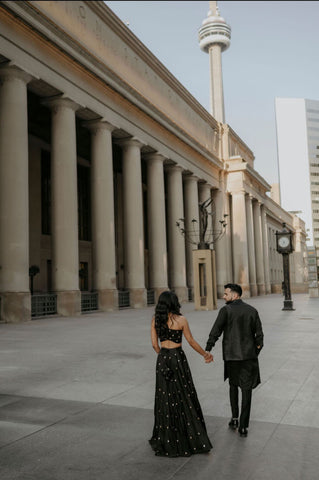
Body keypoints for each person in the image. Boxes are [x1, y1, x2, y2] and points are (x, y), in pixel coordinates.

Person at [149, 290, 213, 457]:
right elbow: (191, 341)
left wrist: (162, 358)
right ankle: (187, 435)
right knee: (184, 395)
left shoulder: (156, 320)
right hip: (178, 358)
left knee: (165, 397)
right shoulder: (181, 320)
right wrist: (205, 354)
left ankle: (166, 438)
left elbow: (155, 345)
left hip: (163, 357)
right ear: (174, 303)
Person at [205, 283, 264, 437]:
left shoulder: (226, 310)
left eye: (226, 294)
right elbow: (260, 337)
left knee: (233, 386)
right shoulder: (252, 311)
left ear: (235, 295)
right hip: (248, 357)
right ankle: (243, 426)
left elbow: (215, 330)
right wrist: (254, 351)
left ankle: (235, 418)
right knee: (246, 390)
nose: (223, 297)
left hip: (232, 357)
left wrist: (208, 348)